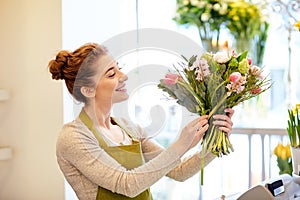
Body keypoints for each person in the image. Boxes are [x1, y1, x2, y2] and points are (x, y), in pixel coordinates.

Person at [48, 43, 234, 200]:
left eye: (119, 68)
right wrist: (181, 144)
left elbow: (179, 171)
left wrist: (215, 139)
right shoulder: (73, 137)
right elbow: (127, 184)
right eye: (111, 74)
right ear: (88, 90)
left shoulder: (128, 128)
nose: (124, 76)